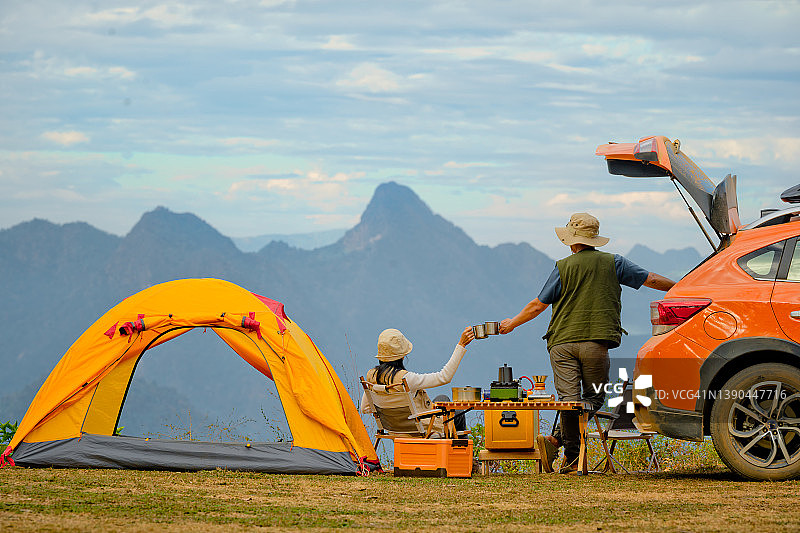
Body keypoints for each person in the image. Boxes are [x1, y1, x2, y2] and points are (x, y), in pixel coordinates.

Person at [499, 212, 675, 473]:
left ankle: (561, 448)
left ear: (571, 241)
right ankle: (565, 450)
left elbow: (538, 305)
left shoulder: (562, 267)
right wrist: (683, 288)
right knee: (593, 398)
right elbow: (651, 279)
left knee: (569, 400)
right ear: (594, 240)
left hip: (561, 343)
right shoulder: (614, 263)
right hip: (595, 342)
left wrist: (511, 323)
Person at [360, 326, 474, 437]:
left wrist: (390, 411)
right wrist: (461, 345)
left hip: (394, 432)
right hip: (420, 430)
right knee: (457, 413)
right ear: (403, 356)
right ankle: (461, 454)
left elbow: (364, 408)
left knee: (442, 399)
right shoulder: (406, 379)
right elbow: (444, 377)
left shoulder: (371, 377)